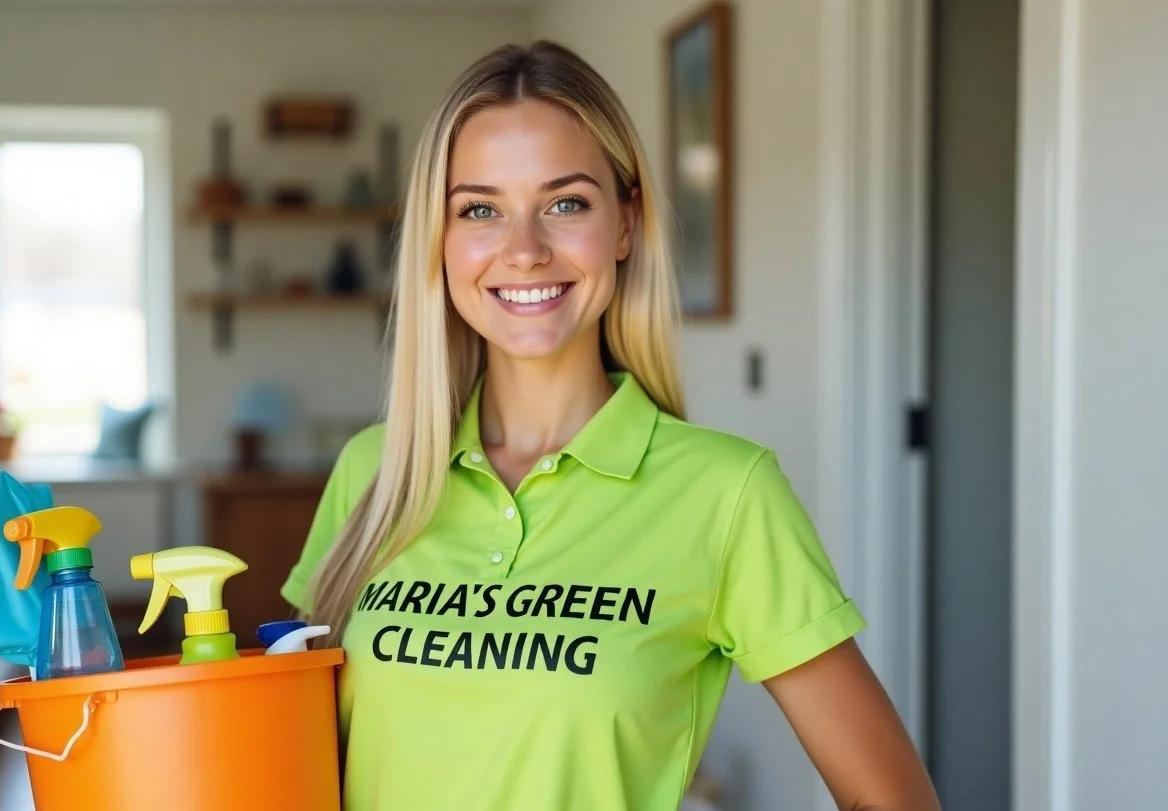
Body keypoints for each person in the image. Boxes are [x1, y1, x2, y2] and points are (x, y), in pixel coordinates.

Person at [281, 40, 940, 811]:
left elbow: (892, 797)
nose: (524, 251)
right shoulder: (375, 471)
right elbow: (294, 762)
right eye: (480, 209)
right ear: (440, 237)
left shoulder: (726, 494)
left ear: (625, 225)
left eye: (566, 203)